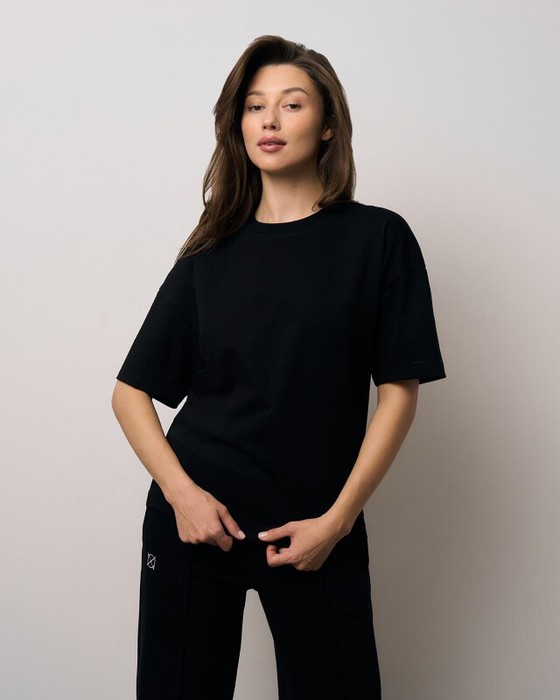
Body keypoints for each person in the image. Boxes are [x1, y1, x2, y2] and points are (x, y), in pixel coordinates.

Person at [111, 34, 446, 700]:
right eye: (254, 106)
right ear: (237, 125)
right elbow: (130, 393)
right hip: (198, 522)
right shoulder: (211, 252)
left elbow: (399, 393)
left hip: (318, 527)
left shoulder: (377, 239)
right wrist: (182, 496)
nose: (269, 120)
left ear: (327, 126)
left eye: (291, 104)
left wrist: (338, 522)